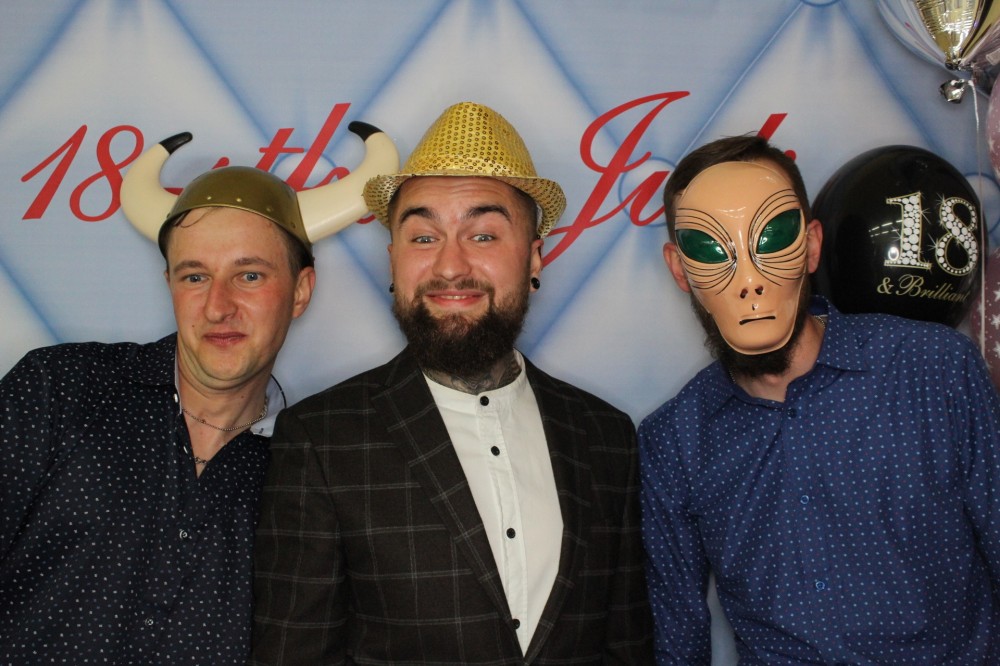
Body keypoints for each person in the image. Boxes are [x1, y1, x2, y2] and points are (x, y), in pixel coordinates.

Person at [251, 101, 654, 664]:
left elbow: (627, 648)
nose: (449, 267)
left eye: (483, 235)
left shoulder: (607, 437)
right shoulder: (320, 439)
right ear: (392, 262)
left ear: (534, 259)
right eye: (423, 238)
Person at [0, 124, 397, 664]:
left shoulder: (312, 467)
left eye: (249, 276)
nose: (217, 306)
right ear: (169, 283)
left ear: (301, 291)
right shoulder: (59, 388)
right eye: (194, 277)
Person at [639, 134, 1000, 663]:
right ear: (679, 269)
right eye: (711, 249)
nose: (749, 284)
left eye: (773, 236)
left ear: (810, 247)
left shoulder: (934, 370)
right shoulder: (675, 441)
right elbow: (680, 638)